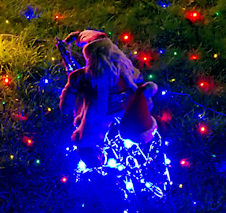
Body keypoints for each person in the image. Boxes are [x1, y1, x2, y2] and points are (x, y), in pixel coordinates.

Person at [59, 30, 157, 166]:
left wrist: (67, 104)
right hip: (110, 108)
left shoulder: (119, 68)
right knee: (91, 130)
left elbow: (71, 89)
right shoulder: (121, 67)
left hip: (115, 107)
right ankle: (91, 153)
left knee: (96, 127)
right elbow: (137, 76)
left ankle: (141, 143)